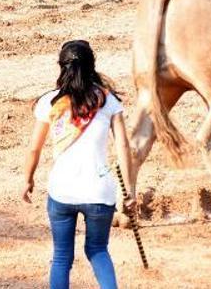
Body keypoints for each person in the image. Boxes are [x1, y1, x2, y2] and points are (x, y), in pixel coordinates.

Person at [22, 40, 135, 289]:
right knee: (98, 251)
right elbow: (123, 146)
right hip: (100, 194)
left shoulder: (49, 102)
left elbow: (34, 148)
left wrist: (28, 179)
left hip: (62, 192)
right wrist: (130, 191)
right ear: (92, 66)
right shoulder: (108, 100)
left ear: (61, 67)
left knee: (62, 257)